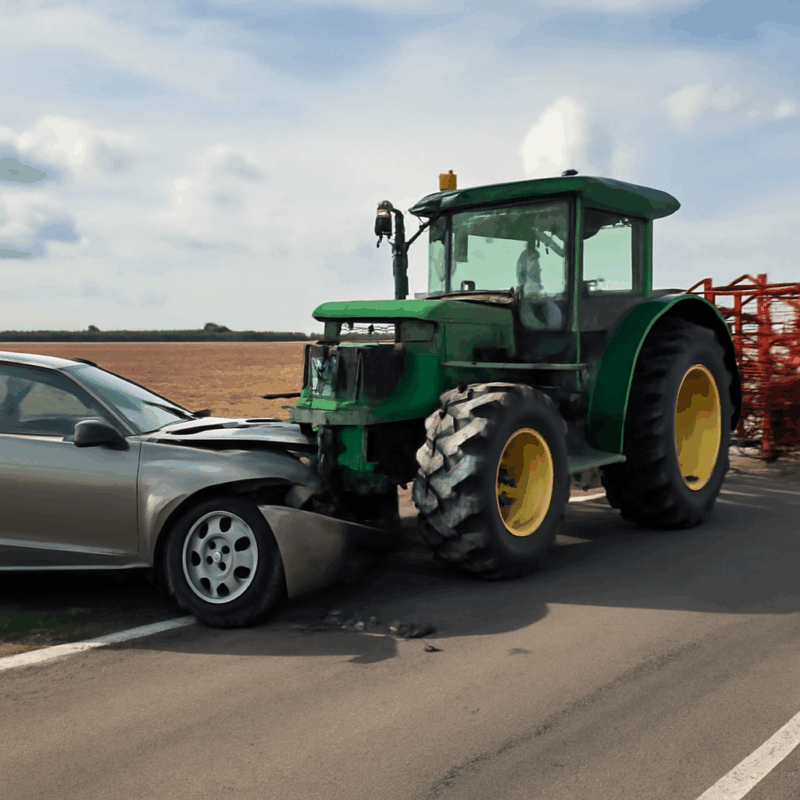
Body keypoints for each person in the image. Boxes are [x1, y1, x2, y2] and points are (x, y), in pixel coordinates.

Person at [516, 245, 563, 330]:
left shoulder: (547, 305)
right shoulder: (524, 308)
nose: (538, 273)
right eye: (534, 270)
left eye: (538, 269)